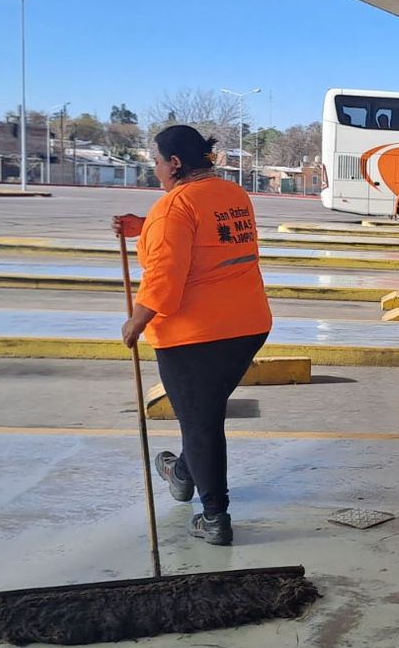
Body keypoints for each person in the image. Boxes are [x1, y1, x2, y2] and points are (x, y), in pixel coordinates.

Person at [112, 124, 272, 546]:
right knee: (203, 411)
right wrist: (145, 225)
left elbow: (165, 277)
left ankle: (215, 517)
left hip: (195, 336)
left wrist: (136, 321)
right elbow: (204, 235)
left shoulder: (172, 207)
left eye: (157, 162)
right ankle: (182, 474)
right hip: (247, 327)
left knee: (201, 423)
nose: (156, 170)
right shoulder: (232, 194)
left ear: (175, 163)